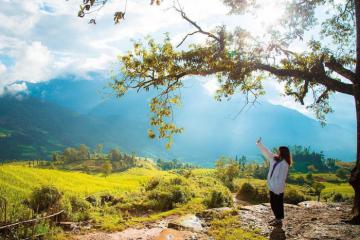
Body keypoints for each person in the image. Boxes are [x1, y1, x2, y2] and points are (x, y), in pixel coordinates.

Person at [256, 137, 291, 226]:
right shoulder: (275, 158)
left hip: (278, 188)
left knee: (277, 203)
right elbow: (267, 152)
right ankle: (277, 218)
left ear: (283, 152)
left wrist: (278, 189)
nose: (278, 152)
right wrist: (260, 144)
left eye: (279, 151)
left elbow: (282, 178)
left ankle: (278, 220)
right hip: (272, 186)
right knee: (273, 203)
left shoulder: (285, 164)